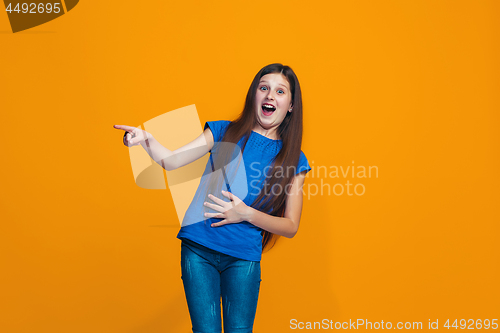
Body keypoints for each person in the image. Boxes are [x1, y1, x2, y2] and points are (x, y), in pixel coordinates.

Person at [114, 63, 312, 333]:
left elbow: (291, 226)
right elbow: (172, 161)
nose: (270, 96)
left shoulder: (294, 160)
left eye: (280, 91)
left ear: (290, 105)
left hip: (243, 258)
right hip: (198, 249)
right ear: (254, 94)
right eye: (263, 88)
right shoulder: (223, 132)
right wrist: (147, 140)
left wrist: (245, 213)